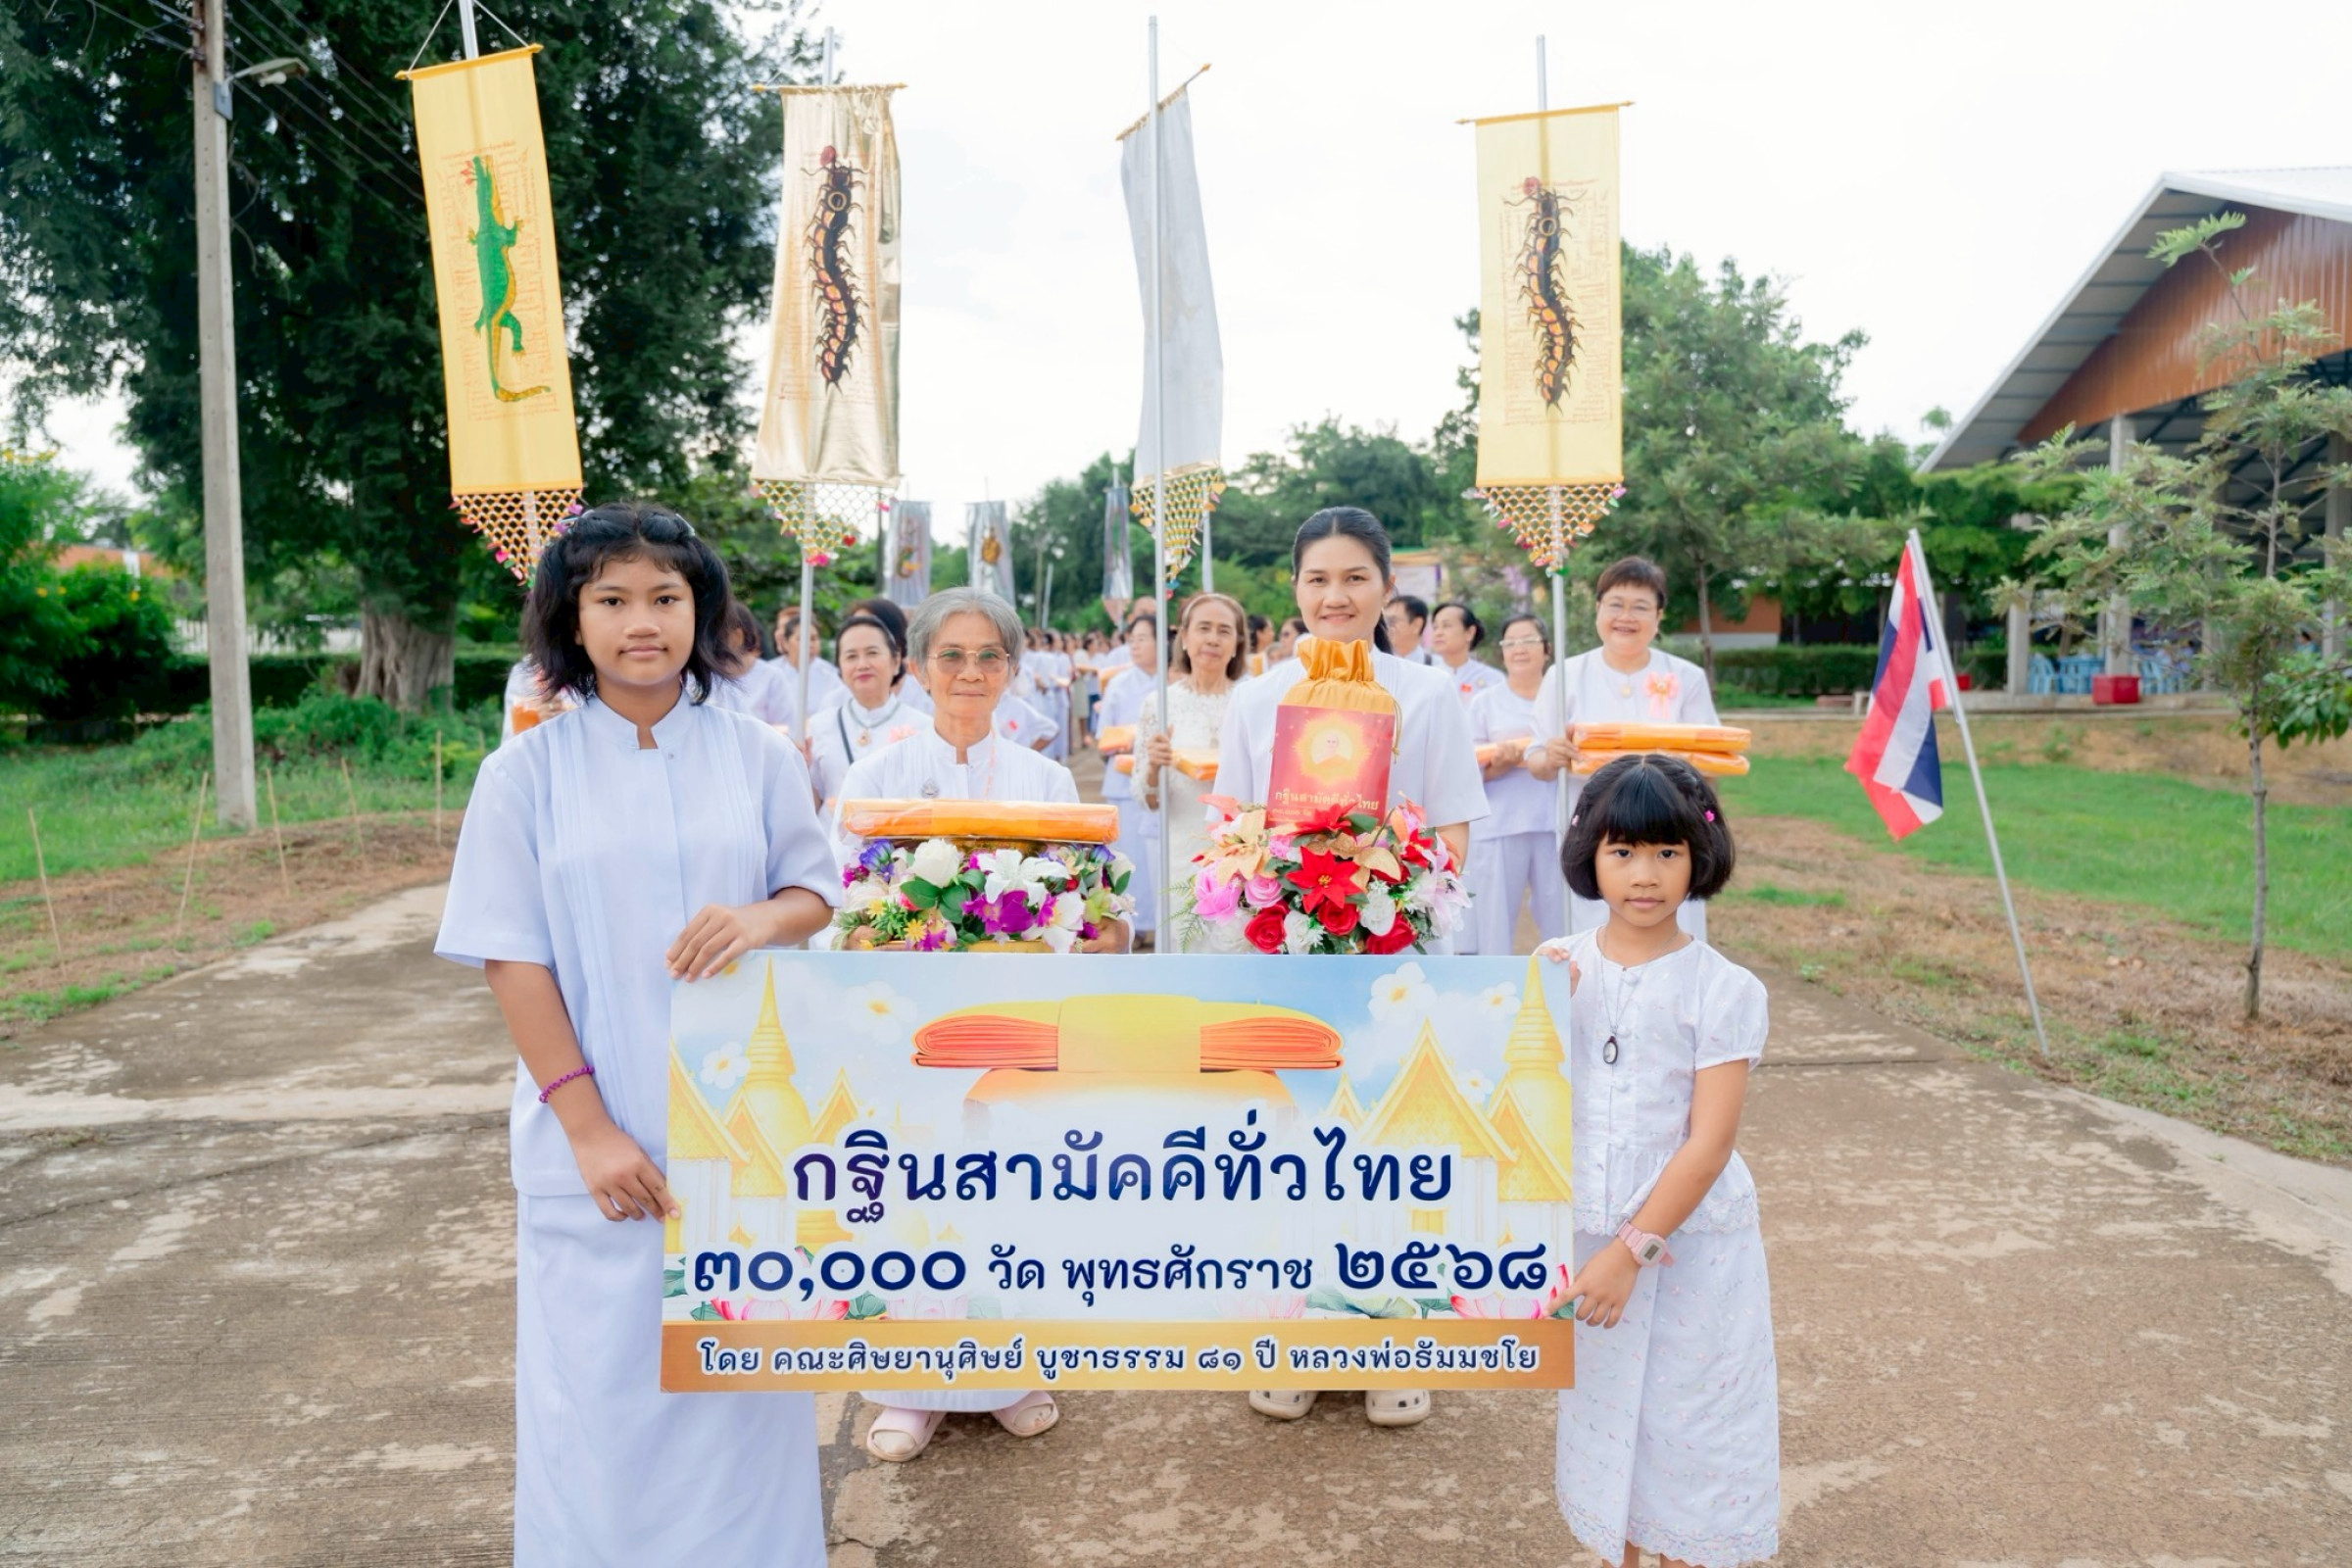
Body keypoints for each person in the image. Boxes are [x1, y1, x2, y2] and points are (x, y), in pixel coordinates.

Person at [436, 501, 839, 1567]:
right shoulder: (525, 773)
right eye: (611, 599)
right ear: (572, 622)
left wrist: (757, 916)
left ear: (700, 612)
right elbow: (509, 952)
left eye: (665, 596)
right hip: (600, 1141)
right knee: (600, 1410)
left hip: (744, 1137)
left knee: (741, 1403)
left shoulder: (756, 754)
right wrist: (588, 1128)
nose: (640, 621)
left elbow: (814, 889)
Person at [834, 586, 1123, 1461]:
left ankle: (1011, 1373)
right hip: (908, 1039)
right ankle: (908, 1388)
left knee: (1014, 1194)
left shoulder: (1043, 780)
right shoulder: (875, 775)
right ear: (917, 668)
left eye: (988, 656)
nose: (969, 672)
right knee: (914, 1197)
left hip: (1016, 1034)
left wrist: (1096, 932)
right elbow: (837, 905)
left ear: (1013, 668)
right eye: (950, 656)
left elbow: (1099, 907)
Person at [1214, 507, 1486, 1431]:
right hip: (1283, 954)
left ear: (1386, 589)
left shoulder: (1428, 692)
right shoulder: (1258, 696)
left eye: (1355, 579)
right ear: (1293, 589)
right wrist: (1274, 905)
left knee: (1394, 1140)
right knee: (1291, 1144)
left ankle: (1394, 1342)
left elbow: (1449, 822)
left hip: (1395, 950)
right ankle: (1294, 1338)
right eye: (1317, 580)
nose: (1335, 597)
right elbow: (1231, 828)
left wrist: (1409, 904)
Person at [1541, 754, 1779, 1568]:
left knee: (1691, 1426)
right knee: (1612, 1429)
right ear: (1589, 856)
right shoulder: (1554, 968)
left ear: (1698, 858)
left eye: (1667, 853)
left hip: (1687, 1249)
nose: (1645, 875)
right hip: (1587, 1242)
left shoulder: (1724, 989)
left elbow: (1709, 1145)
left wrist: (1630, 1252)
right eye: (1623, 852)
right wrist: (1539, 1012)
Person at [1528, 557, 1719, 940]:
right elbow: (1536, 759)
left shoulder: (1686, 677)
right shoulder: (1565, 675)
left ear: (1659, 616)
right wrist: (1551, 756)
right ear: (1598, 609)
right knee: (1593, 933)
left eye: (1641, 607)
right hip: (1596, 832)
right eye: (1615, 604)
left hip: (1670, 829)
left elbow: (1710, 762)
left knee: (1670, 932)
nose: (1625, 617)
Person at [1139, 592, 1246, 952]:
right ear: (1184, 638)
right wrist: (1153, 766)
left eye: (1224, 631)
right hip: (1181, 848)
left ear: (1237, 643)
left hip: (1240, 852)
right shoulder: (1161, 703)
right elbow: (1148, 799)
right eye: (1203, 628)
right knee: (1184, 947)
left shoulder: (1252, 703)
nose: (1213, 639)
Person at [1467, 613, 1565, 956]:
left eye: (1528, 641)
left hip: (1556, 821)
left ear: (1547, 650)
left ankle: (1569, 990)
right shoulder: (1485, 703)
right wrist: (1499, 765)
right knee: (1494, 923)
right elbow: (1467, 769)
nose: (1518, 649)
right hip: (1500, 824)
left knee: (1562, 918)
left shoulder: (1563, 697)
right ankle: (1495, 997)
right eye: (1510, 643)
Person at [1092, 609, 1161, 946]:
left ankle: (1160, 923)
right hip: (1123, 781)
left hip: (1160, 785)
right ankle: (1133, 927)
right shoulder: (1119, 683)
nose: (1135, 646)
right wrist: (1131, 738)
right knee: (1129, 860)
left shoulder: (1172, 680)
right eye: (1131, 640)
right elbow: (1102, 735)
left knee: (1157, 862)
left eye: (1143, 639)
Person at [808, 611, 923, 808]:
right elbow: (811, 803)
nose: (862, 665)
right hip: (831, 837)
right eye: (851, 656)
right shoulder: (818, 726)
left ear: (895, 662)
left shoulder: (923, 727)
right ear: (840, 668)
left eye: (872, 653)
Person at [709, 600, 798, 729]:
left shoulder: (771, 677)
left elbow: (787, 728)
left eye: (713, 632)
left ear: (737, 636)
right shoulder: (704, 676)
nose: (706, 641)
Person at [770, 605, 846, 725]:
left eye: (814, 638)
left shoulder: (831, 675)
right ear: (785, 642)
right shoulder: (771, 672)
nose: (809, 644)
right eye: (801, 639)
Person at [1430, 601, 1504, 708]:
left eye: (1446, 626)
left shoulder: (1492, 679)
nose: (1438, 633)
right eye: (1435, 627)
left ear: (1470, 632)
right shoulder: (1427, 677)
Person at [1383, 592, 1433, 664]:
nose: (1386, 626)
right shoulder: (1376, 664)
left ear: (1416, 625)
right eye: (1384, 621)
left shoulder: (1438, 667)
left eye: (1392, 621)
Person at [1245, 612, 1273, 677]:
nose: (1272, 634)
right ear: (1259, 633)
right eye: (1270, 630)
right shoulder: (1257, 660)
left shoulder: (1244, 660)